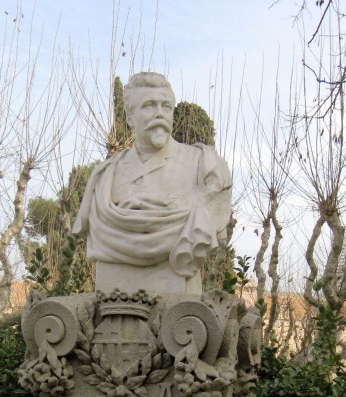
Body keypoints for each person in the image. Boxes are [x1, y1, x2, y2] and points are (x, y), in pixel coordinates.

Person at [73, 72, 232, 294]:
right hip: (112, 303)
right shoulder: (106, 175)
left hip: (181, 315)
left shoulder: (205, 166)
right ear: (129, 117)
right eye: (149, 106)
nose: (160, 114)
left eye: (166, 107)